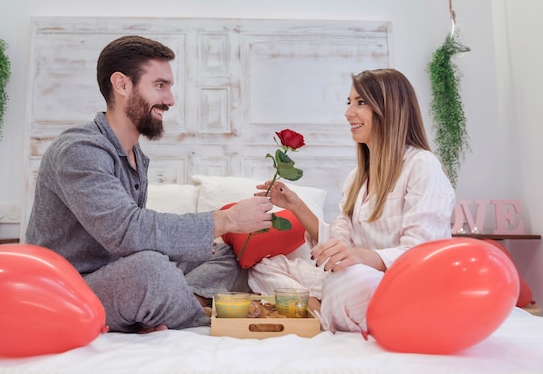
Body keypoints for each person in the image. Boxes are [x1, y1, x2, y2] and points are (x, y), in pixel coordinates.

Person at [25, 35, 274, 333]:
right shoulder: (80, 150)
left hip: (115, 272)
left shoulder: (134, 155)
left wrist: (211, 236)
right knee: (152, 270)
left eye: (169, 87)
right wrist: (227, 219)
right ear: (122, 85)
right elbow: (127, 231)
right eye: (159, 86)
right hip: (69, 289)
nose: (170, 99)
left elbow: (135, 243)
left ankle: (178, 301)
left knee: (224, 252)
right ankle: (196, 313)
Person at [249, 68, 456, 333]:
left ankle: (319, 308)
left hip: (402, 287)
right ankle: (322, 307)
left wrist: (359, 257)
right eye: (349, 103)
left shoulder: (422, 165)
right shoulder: (357, 177)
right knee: (265, 267)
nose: (348, 113)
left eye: (360, 103)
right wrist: (296, 205)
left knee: (349, 279)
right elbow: (339, 244)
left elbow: (421, 254)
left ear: (389, 108)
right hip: (356, 280)